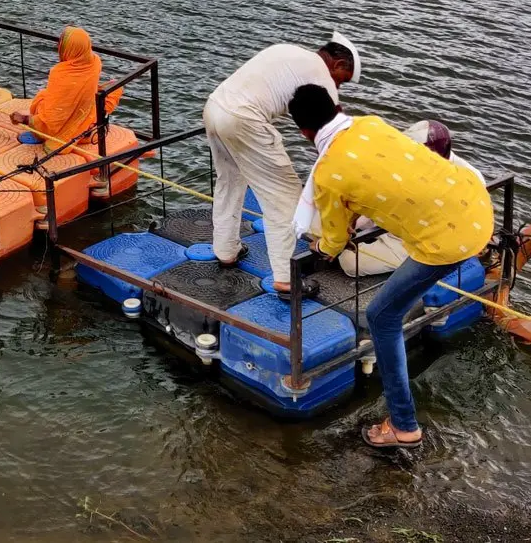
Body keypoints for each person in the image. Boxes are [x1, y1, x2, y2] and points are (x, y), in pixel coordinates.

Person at [289, 84, 493, 451]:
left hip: (449, 240)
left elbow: (333, 243)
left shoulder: (328, 174)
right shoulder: (370, 124)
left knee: (382, 317)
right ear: (339, 107)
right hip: (477, 207)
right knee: (391, 305)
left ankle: (404, 425)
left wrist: (318, 244)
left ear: (304, 132)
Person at [204, 34, 359, 296]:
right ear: (339, 63)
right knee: (284, 198)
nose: (338, 87)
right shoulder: (322, 77)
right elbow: (334, 135)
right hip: (245, 119)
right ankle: (286, 281)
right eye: (341, 79)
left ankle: (226, 251)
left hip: (215, 108)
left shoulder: (288, 51)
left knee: (229, 181)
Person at [294, 118, 487, 279]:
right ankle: (339, 246)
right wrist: (350, 221)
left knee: (350, 264)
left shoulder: (469, 178)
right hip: (390, 220)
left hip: (419, 239)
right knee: (318, 225)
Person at [9, 27, 123, 148]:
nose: (59, 47)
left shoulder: (59, 72)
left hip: (63, 132)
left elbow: (52, 121)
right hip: (90, 124)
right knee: (115, 86)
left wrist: (26, 120)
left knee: (42, 96)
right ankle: (84, 128)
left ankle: (63, 130)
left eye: (62, 44)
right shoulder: (95, 62)